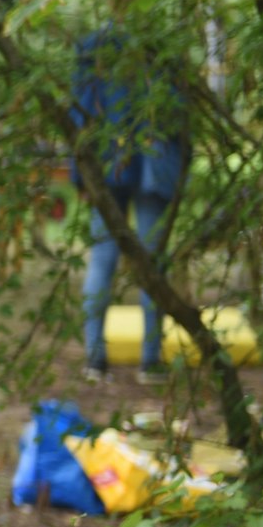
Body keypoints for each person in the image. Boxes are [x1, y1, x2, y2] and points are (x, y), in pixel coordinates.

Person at [72, 25, 190, 383]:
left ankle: (95, 359)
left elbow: (80, 115)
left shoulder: (94, 47)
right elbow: (179, 114)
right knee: (150, 262)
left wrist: (82, 175)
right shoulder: (161, 43)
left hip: (108, 164)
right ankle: (149, 361)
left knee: (104, 260)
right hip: (154, 163)